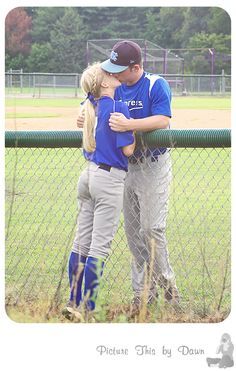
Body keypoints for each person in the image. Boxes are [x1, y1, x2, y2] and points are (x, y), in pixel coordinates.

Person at [100, 40, 180, 310]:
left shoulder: (155, 84)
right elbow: (91, 102)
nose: (114, 74)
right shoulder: (114, 86)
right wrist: (83, 115)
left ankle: (168, 288)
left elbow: (163, 120)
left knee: (151, 228)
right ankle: (143, 294)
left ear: (135, 67)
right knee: (134, 234)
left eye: (119, 69)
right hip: (126, 166)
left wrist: (130, 124)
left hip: (153, 163)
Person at [63, 63, 135, 321]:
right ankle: (90, 308)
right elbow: (128, 151)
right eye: (107, 73)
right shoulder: (118, 109)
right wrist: (131, 130)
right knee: (99, 247)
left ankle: (73, 302)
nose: (113, 73)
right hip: (109, 179)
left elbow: (88, 98)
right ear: (104, 83)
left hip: (88, 175)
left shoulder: (89, 106)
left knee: (81, 241)